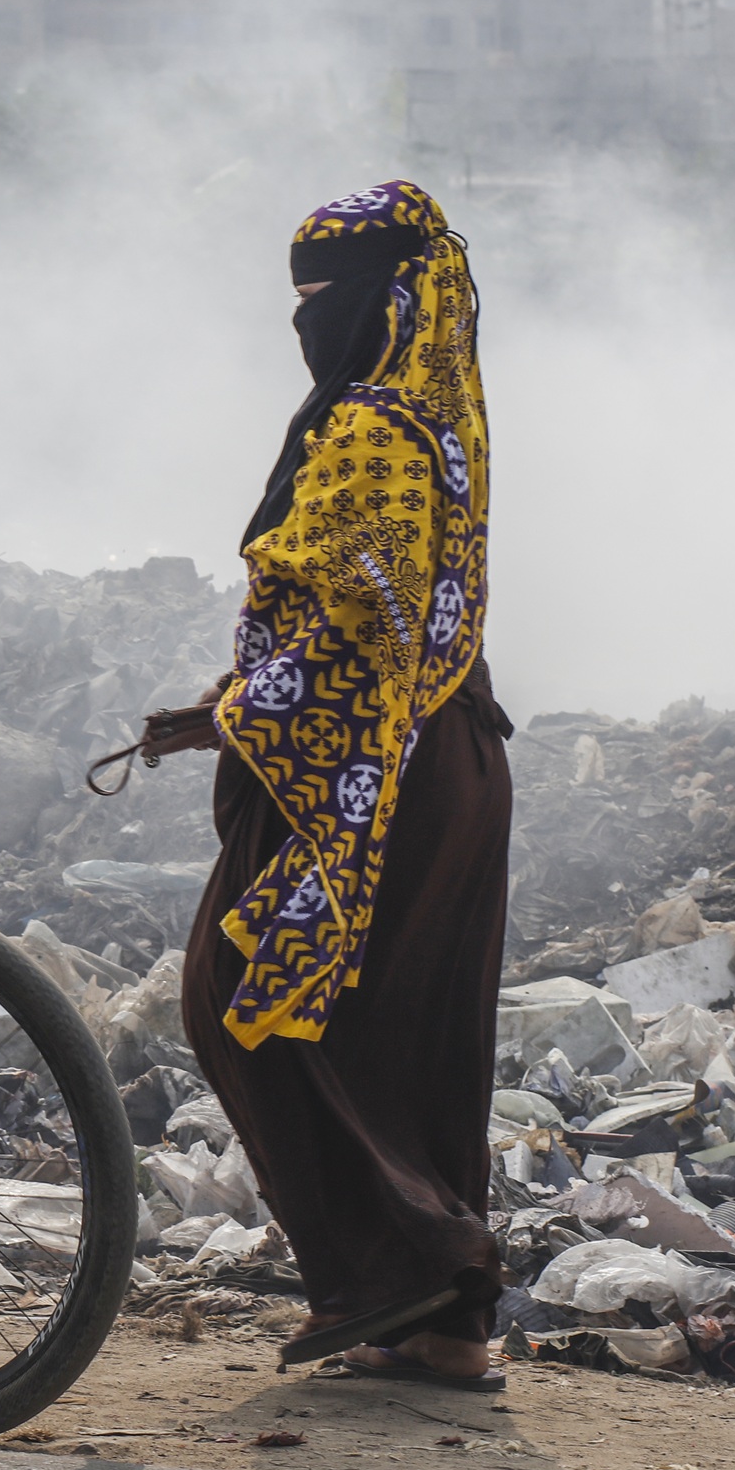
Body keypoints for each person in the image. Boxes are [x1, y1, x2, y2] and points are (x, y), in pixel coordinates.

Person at [143, 179, 514, 1389]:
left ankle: (385, 1272)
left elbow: (350, 644)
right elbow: (373, 612)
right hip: (456, 756)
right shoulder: (444, 419)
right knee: (413, 1035)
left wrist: (226, 717)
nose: (304, 320)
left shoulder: (363, 429)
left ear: (388, 297)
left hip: (363, 781)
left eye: (321, 298)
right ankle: (450, 1327)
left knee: (241, 997)